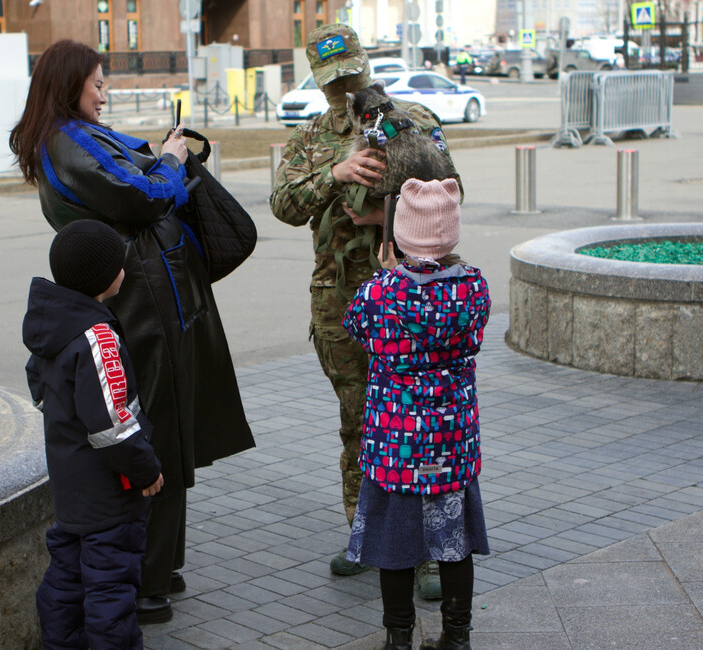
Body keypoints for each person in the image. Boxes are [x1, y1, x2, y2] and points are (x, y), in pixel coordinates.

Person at [10, 39, 255, 625]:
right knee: (156, 428)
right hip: (141, 300)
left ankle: (160, 566)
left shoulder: (75, 136)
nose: (104, 93)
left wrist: (162, 160)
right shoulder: (66, 142)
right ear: (70, 84)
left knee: (169, 424)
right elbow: (143, 196)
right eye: (97, 83)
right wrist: (170, 159)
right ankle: (146, 579)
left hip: (152, 292)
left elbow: (134, 186)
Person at [270, 23, 462, 597]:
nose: (343, 88)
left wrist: (386, 219)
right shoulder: (310, 137)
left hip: (414, 298)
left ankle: (429, 550)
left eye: (351, 74)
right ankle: (366, 533)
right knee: (358, 422)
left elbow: (453, 194)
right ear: (316, 78)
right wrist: (335, 173)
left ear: (366, 64)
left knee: (422, 425)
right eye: (332, 80)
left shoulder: (414, 119)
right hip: (342, 301)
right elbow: (282, 205)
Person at [342, 177, 491, 650]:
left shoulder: (380, 292)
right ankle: (457, 636)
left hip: (396, 443)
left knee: (395, 547)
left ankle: (399, 638)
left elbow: (356, 327)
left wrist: (388, 274)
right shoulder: (474, 288)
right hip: (451, 440)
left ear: (400, 235)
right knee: (454, 543)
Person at [22, 220, 165, 649]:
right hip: (108, 493)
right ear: (106, 279)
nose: (124, 270)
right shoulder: (97, 337)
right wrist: (146, 469)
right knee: (111, 591)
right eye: (119, 265)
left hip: (70, 486)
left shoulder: (53, 323)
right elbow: (112, 424)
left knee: (65, 580)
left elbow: (40, 386)